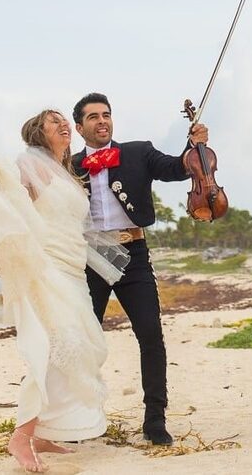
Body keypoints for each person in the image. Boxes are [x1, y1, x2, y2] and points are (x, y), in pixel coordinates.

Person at [0, 109, 116, 472]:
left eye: (65, 121)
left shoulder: (67, 171)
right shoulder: (28, 164)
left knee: (79, 348)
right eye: (54, 121)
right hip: (46, 268)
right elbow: (10, 204)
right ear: (37, 132)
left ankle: (44, 431)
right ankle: (21, 435)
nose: (64, 125)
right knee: (51, 348)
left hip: (73, 268)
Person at [71, 92, 208, 446]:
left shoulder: (137, 151)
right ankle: (80, 416)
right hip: (90, 259)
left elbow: (177, 169)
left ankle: (155, 419)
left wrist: (193, 147)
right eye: (93, 117)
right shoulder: (67, 165)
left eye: (106, 115)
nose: (102, 121)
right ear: (79, 126)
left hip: (133, 254)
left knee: (150, 335)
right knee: (84, 339)